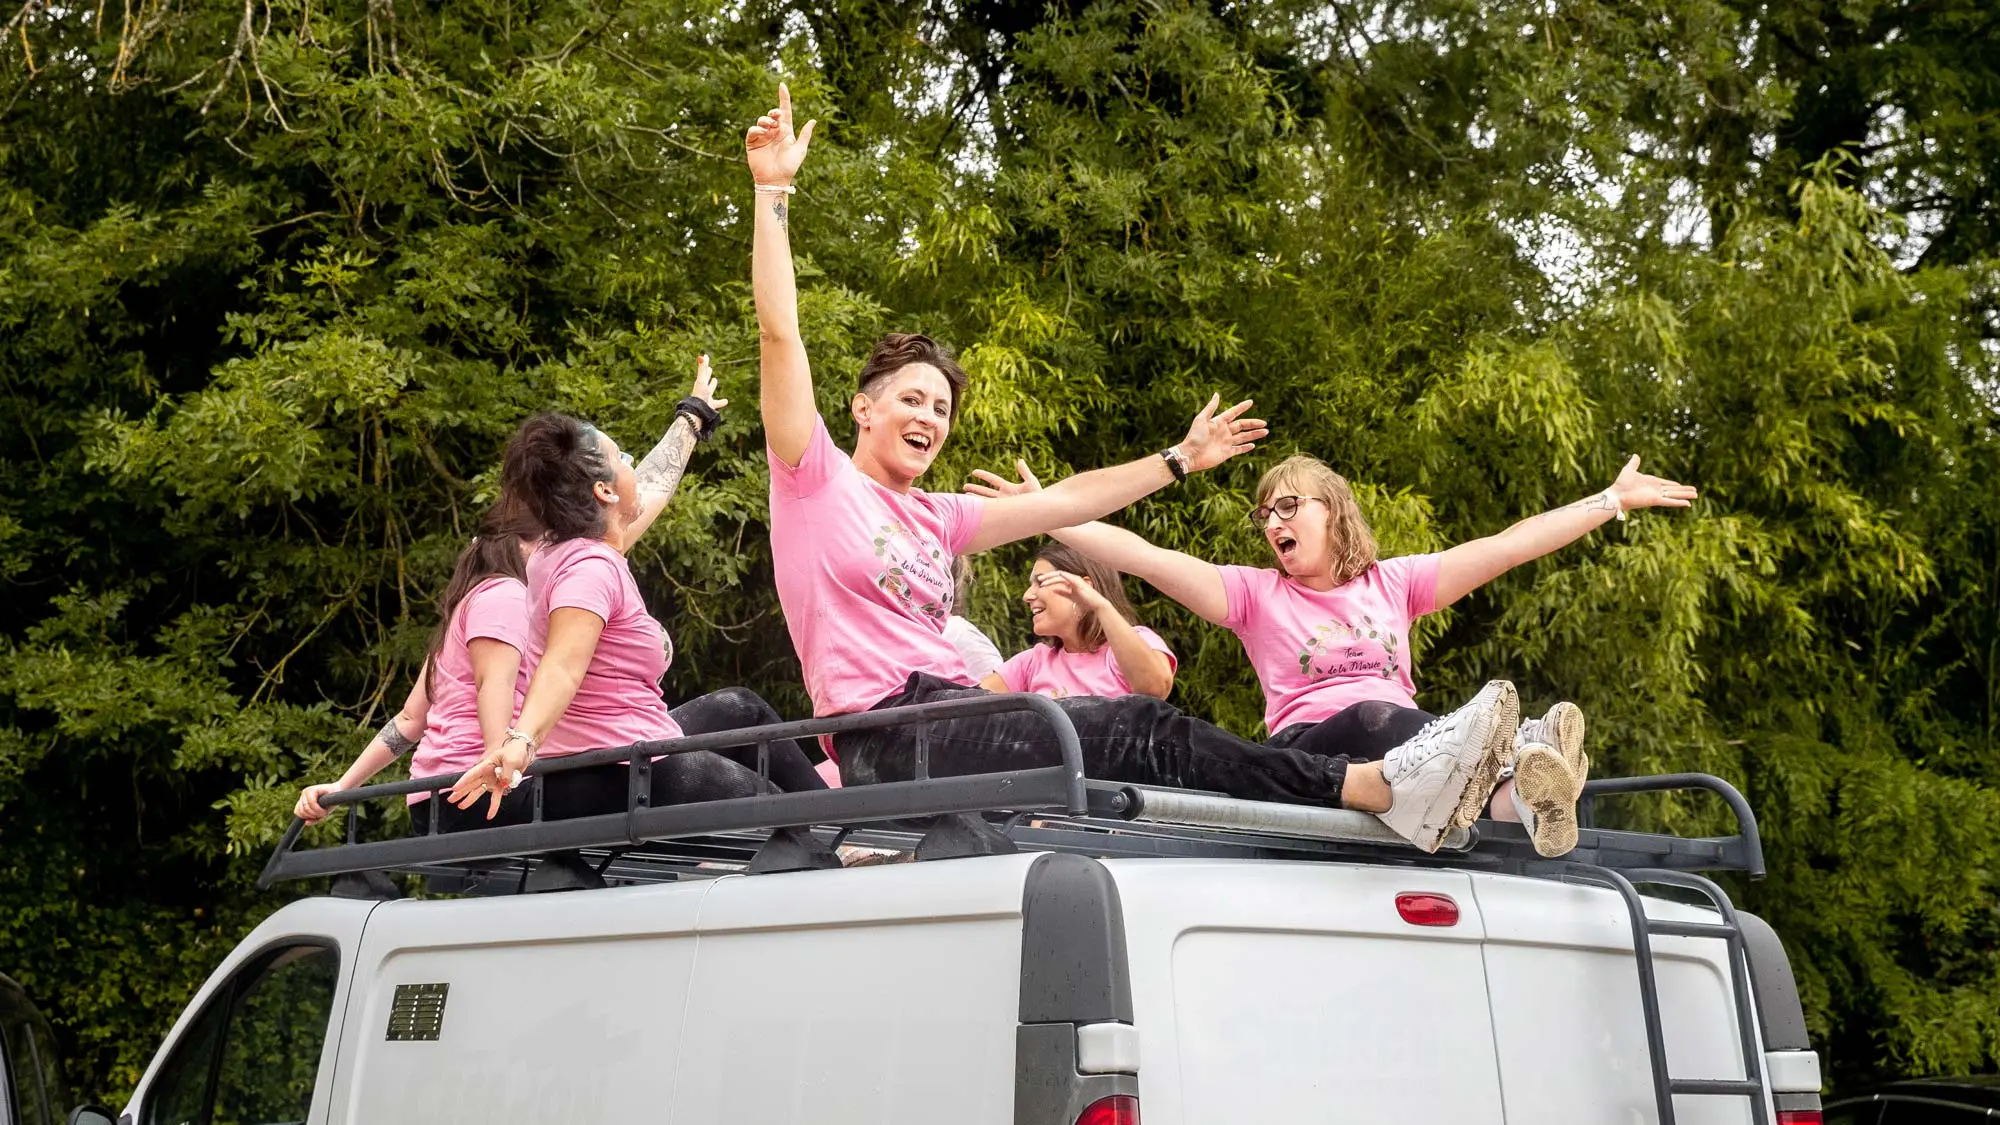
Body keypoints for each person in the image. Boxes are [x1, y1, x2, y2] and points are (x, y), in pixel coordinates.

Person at [745, 83, 1509, 851]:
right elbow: (781, 336)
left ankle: (1443, 782)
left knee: (1144, 760)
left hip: (953, 716)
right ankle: (1369, 783)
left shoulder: (939, 516)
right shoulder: (816, 476)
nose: (929, 418)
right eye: (912, 399)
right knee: (1144, 727)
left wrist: (1179, 458)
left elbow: (1068, 501)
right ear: (862, 409)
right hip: (887, 732)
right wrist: (773, 190)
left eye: (942, 408)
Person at [968, 452, 1697, 856]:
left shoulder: (1396, 583)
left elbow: (1506, 546)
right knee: (1381, 713)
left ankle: (1528, 798)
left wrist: (1611, 500)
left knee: (1405, 725)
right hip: (1321, 749)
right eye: (1265, 513)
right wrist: (1056, 509)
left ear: (1333, 511)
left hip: (1411, 754)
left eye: (1289, 505)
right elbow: (1147, 556)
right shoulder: (1254, 594)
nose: (1273, 521)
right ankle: (1516, 749)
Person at [444, 386, 828, 827]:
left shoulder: (570, 549)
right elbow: (562, 667)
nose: (632, 465)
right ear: (605, 491)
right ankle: (841, 843)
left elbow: (653, 484)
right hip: (621, 768)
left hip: (611, 755)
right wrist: (520, 743)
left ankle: (849, 835)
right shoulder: (589, 571)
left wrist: (693, 415)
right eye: (624, 458)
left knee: (740, 708)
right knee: (785, 815)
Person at [979, 542, 1176, 701]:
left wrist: (1100, 606)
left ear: (1082, 587)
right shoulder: (1032, 662)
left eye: (1041, 582)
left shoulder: (1135, 641)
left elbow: (1154, 688)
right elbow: (969, 708)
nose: (1027, 595)